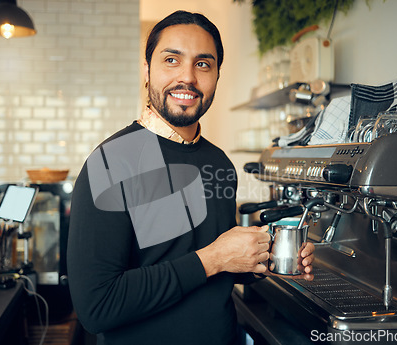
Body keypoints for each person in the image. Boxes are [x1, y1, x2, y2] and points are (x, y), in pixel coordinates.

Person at [67, 10, 315, 345]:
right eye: (172, 60)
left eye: (203, 64)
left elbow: (214, 270)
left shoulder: (219, 163)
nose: (188, 78)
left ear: (216, 75)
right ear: (147, 70)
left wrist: (264, 260)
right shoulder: (112, 163)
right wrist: (214, 258)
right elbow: (97, 307)